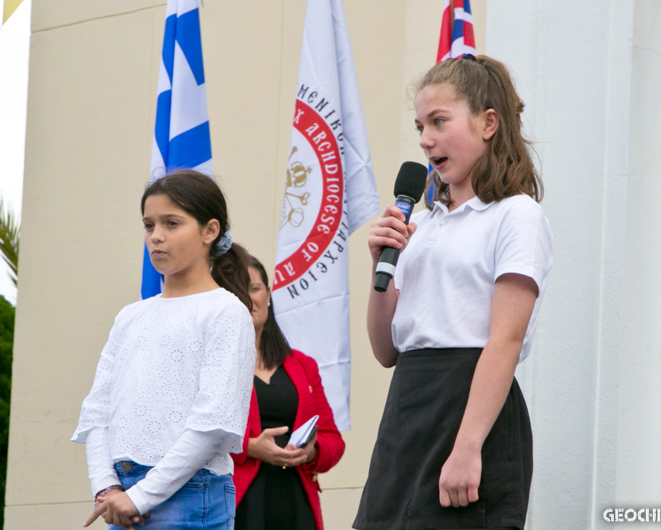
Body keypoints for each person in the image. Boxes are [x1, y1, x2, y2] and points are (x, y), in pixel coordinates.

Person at [353, 55, 554, 530]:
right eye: (421, 125)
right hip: (408, 408)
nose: (425, 139)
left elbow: (504, 339)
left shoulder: (515, 215)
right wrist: (380, 263)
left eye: (439, 121)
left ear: (488, 124)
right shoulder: (418, 224)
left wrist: (467, 447)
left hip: (471, 403)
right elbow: (386, 350)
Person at [71, 170, 257, 530]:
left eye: (172, 223)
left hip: (190, 491)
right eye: (149, 224)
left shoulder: (225, 310)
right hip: (120, 497)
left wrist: (140, 496)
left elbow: (212, 422)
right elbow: (97, 411)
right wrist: (107, 487)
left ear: (210, 230)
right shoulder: (131, 316)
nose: (156, 236)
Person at [231, 256, 345, 530]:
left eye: (254, 288)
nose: (247, 299)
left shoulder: (303, 365)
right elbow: (195, 438)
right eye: (235, 291)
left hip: (295, 504)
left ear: (268, 295)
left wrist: (311, 452)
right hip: (239, 506)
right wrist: (250, 448)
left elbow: (333, 440)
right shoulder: (212, 364)